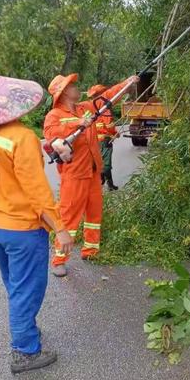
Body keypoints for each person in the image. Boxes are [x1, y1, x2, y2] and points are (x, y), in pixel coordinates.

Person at [0, 74, 73, 374]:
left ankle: (25, 331)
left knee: (16, 287)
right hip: (23, 231)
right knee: (27, 289)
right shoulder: (21, 138)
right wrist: (60, 228)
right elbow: (37, 191)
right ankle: (25, 350)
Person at [44, 73, 139, 277]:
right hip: (74, 175)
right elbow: (52, 136)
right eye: (72, 85)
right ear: (64, 93)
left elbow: (107, 98)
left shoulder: (85, 108)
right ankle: (59, 259)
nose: (77, 87)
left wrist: (126, 83)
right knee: (69, 218)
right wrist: (78, 124)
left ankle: (91, 250)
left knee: (94, 214)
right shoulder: (54, 116)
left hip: (93, 171)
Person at [87, 84, 120, 191]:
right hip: (105, 140)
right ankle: (108, 184)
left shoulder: (89, 108)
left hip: (93, 140)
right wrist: (115, 133)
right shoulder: (104, 109)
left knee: (98, 161)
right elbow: (109, 125)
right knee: (106, 163)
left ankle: (102, 181)